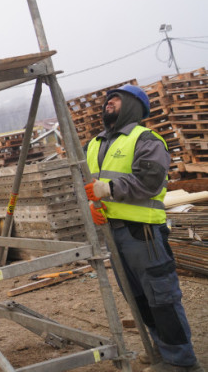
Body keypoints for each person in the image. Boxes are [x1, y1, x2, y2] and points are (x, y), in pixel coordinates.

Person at [84, 84, 203, 372]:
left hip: (143, 233)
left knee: (161, 296)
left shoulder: (146, 139)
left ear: (133, 106)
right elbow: (89, 186)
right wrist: (94, 205)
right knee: (136, 297)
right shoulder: (95, 144)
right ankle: (161, 351)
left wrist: (108, 190)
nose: (108, 103)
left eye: (116, 99)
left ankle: (182, 362)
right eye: (107, 99)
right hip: (114, 233)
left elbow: (149, 182)